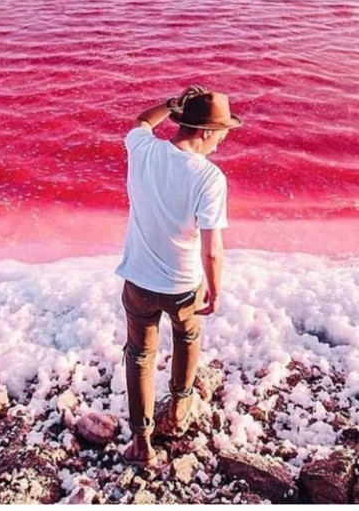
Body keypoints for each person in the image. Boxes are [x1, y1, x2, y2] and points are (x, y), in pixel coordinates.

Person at [116, 85, 243, 467]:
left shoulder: (142, 150)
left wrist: (170, 106)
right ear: (205, 132)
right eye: (221, 133)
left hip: (139, 280)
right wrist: (216, 290)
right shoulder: (209, 177)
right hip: (183, 285)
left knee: (139, 356)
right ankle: (179, 409)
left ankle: (141, 443)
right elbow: (212, 249)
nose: (222, 142)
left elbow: (141, 121)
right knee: (187, 338)